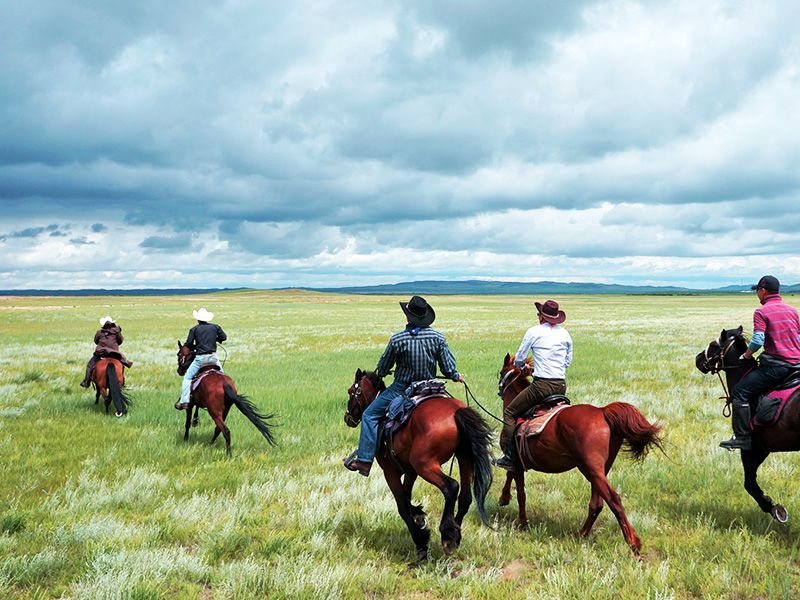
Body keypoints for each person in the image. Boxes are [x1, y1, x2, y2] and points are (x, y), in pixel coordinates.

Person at [344, 295, 463, 476]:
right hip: (429, 387)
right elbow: (448, 368)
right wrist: (456, 375)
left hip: (402, 389)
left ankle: (364, 460)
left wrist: (382, 373)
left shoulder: (398, 339)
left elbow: (383, 368)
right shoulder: (438, 337)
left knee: (369, 415)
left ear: (408, 317)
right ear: (424, 317)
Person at [720, 275, 800, 451]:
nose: (757, 294)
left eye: (757, 290)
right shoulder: (793, 311)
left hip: (777, 367)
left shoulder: (761, 312)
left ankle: (741, 438)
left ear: (763, 291)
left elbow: (758, 339)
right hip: (797, 367)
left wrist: (747, 355)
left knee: (740, 392)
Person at [494, 299, 573, 470]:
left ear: (541, 317)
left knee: (509, 413)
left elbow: (520, 358)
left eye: (539, 314)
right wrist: (538, 366)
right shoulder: (565, 334)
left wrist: (524, 368)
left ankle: (509, 456)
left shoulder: (533, 332)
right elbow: (567, 361)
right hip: (561, 386)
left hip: (541, 386)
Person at [175, 307, 227, 410]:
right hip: (213, 358)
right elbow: (224, 337)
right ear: (207, 318)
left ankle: (184, 401)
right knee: (222, 377)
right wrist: (214, 339)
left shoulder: (194, 329)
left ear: (198, 319)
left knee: (187, 378)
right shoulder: (216, 327)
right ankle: (225, 397)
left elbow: (189, 344)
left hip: (200, 359)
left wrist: (197, 345)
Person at [79, 316, 133, 388]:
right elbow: (120, 341)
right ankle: (122, 381)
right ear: (112, 323)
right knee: (122, 364)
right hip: (114, 353)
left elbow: (96, 341)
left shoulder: (99, 332)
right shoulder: (117, 332)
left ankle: (86, 381)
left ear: (103, 325)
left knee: (90, 365)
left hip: (101, 352)